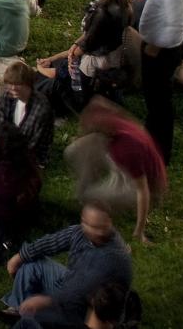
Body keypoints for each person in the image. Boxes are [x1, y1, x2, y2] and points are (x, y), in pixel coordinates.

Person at [0, 204, 133, 326]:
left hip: (89, 309)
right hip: (70, 283)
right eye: (89, 225)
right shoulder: (80, 233)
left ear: (109, 222)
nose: (96, 231)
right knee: (32, 263)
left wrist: (45, 301)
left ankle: (26, 313)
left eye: (100, 227)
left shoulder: (113, 257)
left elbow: (78, 291)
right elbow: (51, 242)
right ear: (83, 221)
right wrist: (19, 257)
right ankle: (17, 309)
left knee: (38, 315)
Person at [64, 98, 165, 245]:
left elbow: (143, 191)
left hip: (143, 186)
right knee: (74, 151)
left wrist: (139, 232)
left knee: (89, 197)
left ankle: (90, 197)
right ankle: (85, 192)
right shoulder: (110, 117)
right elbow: (96, 102)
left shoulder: (126, 148)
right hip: (120, 163)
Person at [137, 0, 183, 162]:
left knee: (159, 101)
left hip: (161, 50)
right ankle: (150, 139)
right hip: (158, 47)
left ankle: (159, 152)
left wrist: (154, 47)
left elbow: (174, 23)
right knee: (154, 99)